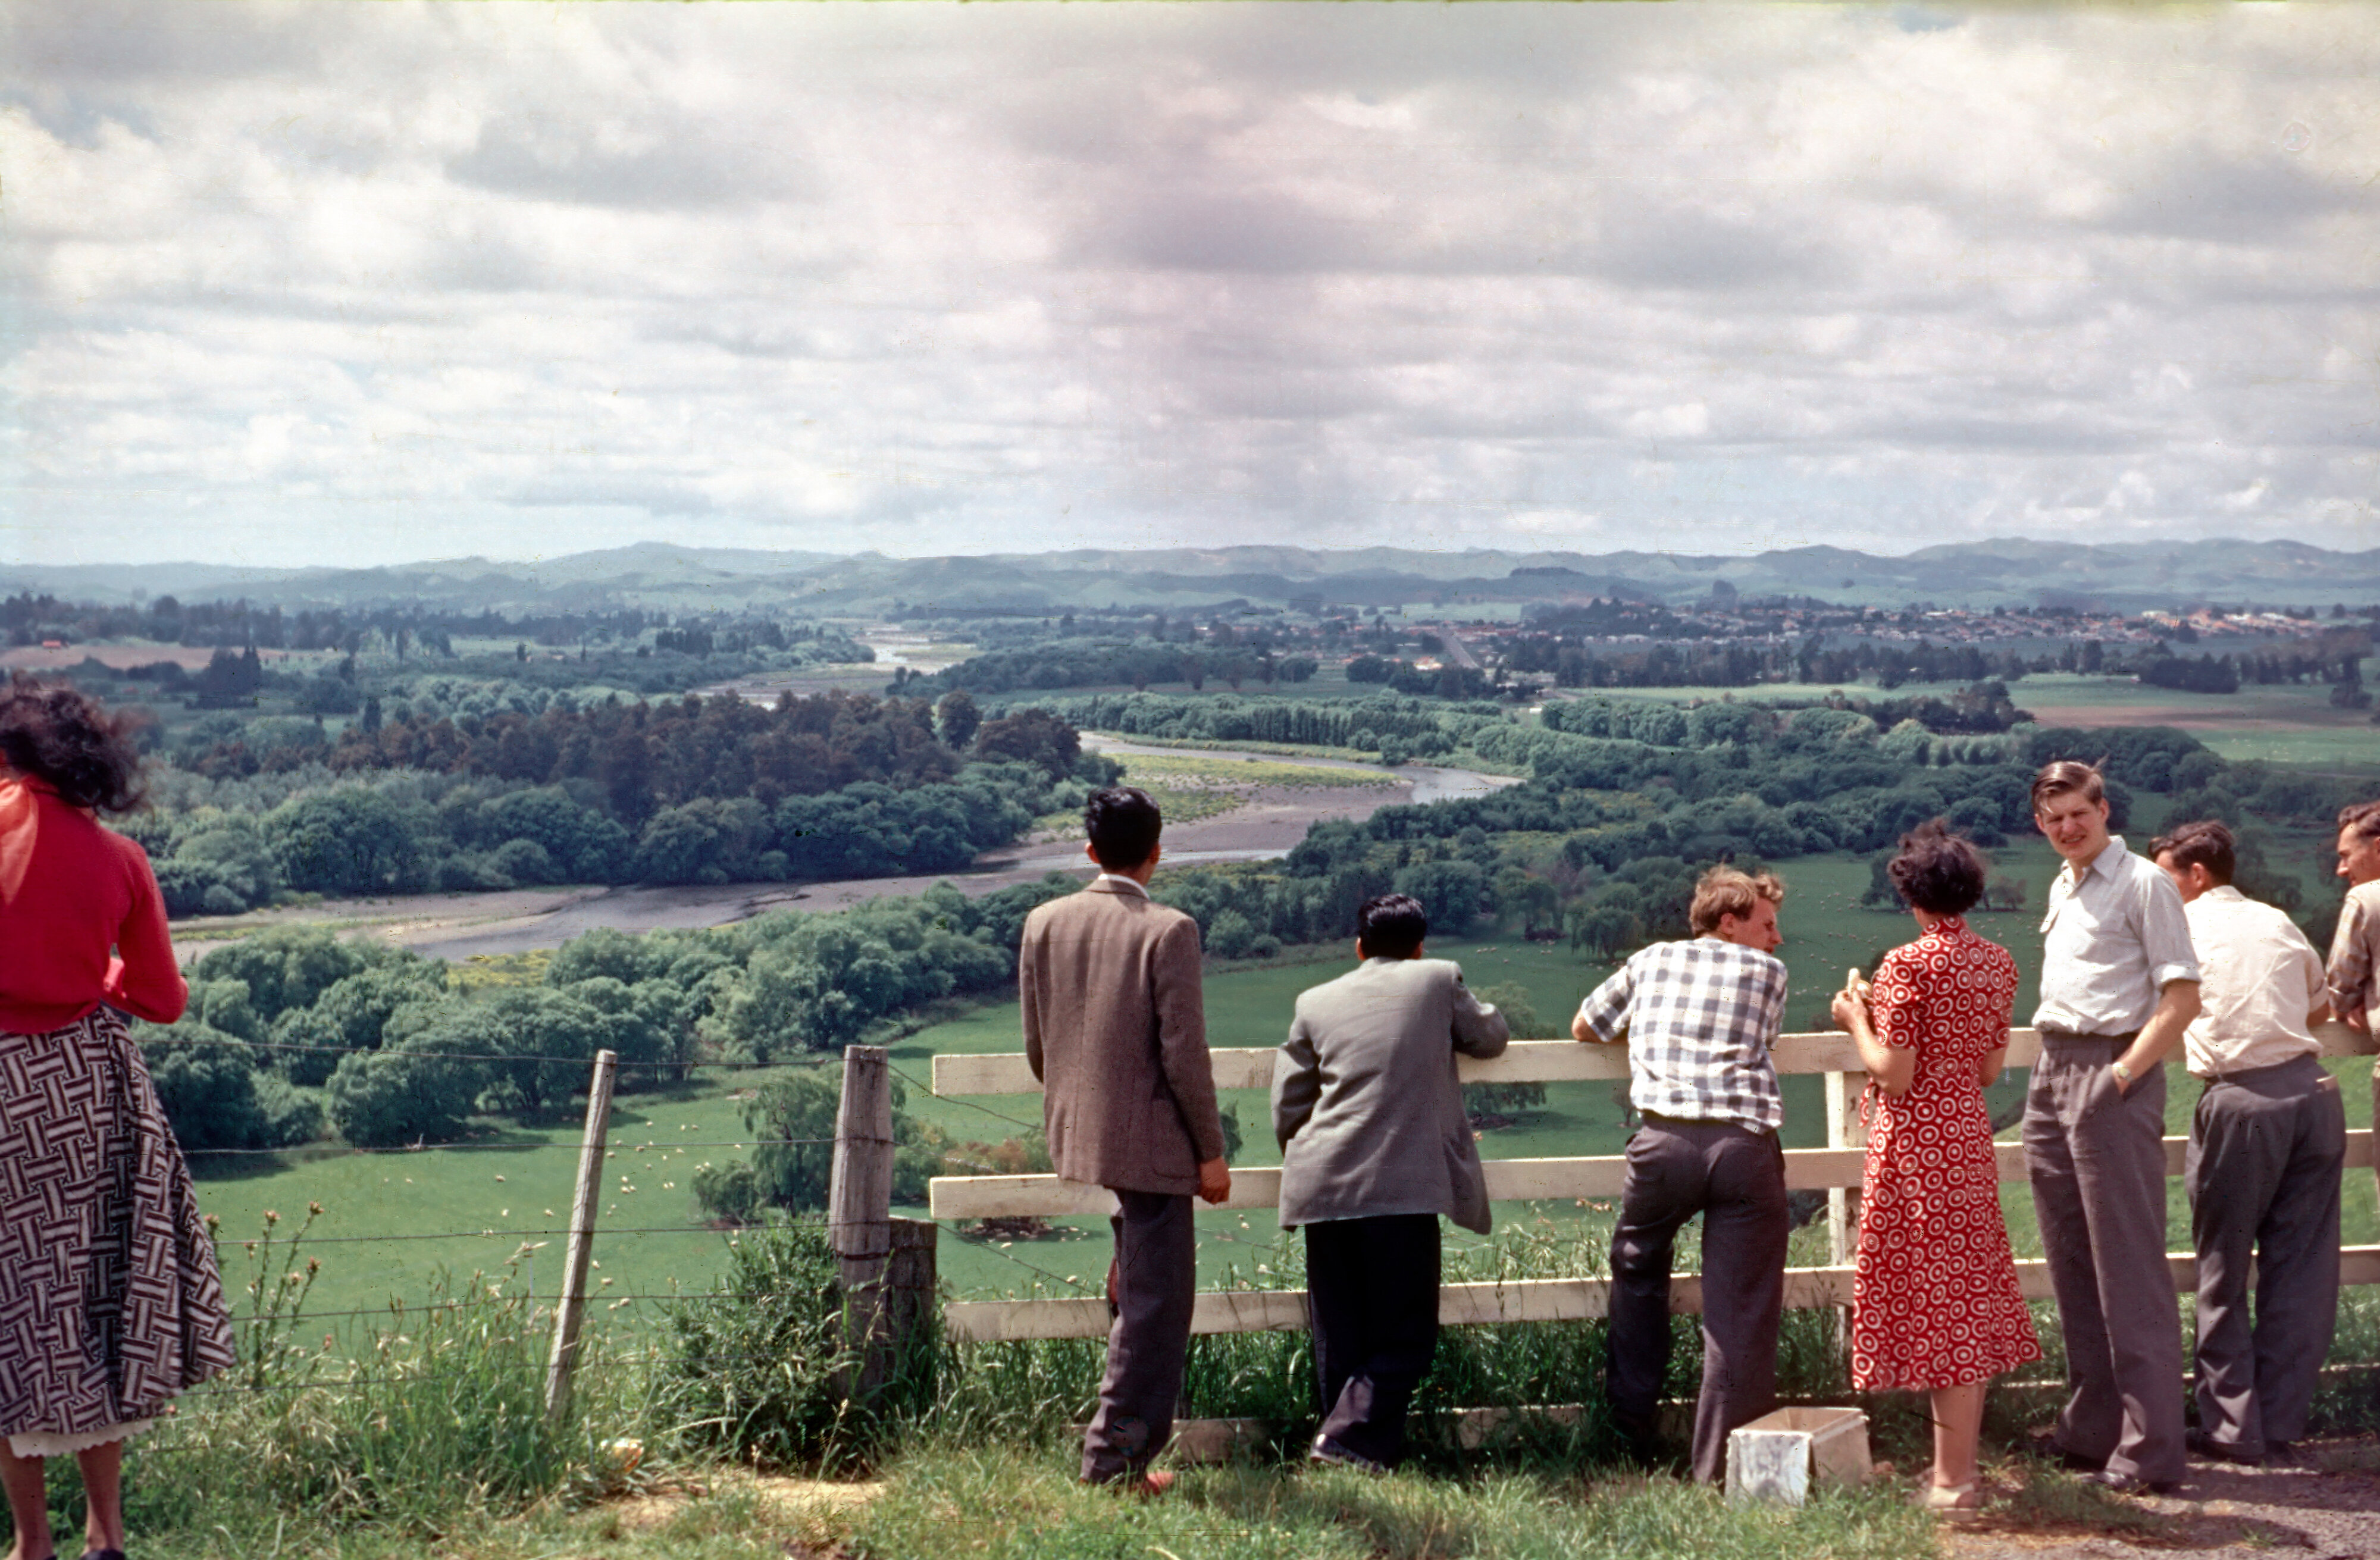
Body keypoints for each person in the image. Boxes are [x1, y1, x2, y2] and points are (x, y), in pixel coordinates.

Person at [0, 679, 235, 1560]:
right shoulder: (120, 857)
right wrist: (99, 982)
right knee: (98, 1305)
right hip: (87, 1095)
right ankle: (107, 1536)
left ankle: (31, 1545)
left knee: (7, 1309)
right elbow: (164, 1000)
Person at [1019, 785, 1230, 1493]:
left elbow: (1037, 1043)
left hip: (1082, 1132)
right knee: (1157, 1310)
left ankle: (1117, 1459)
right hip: (1154, 1146)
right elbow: (1183, 1055)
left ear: (1089, 851)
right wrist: (1210, 1149)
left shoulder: (1043, 921)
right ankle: (1113, 1468)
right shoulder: (1169, 930)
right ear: (1156, 852)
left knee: (1136, 1284)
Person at [1832, 822, 2040, 1514]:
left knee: (1940, 1302)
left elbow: (1892, 1072)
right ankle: (1956, 1469)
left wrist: (1852, 1018)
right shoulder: (1997, 963)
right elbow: (1984, 1069)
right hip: (1965, 1138)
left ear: (1913, 896)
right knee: (1961, 1296)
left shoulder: (1906, 965)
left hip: (1916, 1144)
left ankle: (1954, 1481)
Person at [1272, 893, 1510, 1473]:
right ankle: (1344, 1443)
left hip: (1322, 1182)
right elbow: (1489, 1038)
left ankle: (1350, 1453)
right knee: (1407, 1334)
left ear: (1359, 948)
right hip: (1401, 1183)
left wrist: (1313, 1160)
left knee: (1341, 1333)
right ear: (1420, 944)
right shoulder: (1437, 979)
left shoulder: (1313, 1001)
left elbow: (1287, 1104)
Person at [1572, 864, 1790, 1484]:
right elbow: (1763, 1040)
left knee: (1638, 1279)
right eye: (1766, 925)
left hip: (1663, 1142)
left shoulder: (1649, 960)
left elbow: (1585, 1027)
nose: (1775, 941)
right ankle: (1722, 1467)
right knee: (1740, 1307)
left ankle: (1626, 1436)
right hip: (1741, 1147)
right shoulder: (1769, 974)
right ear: (1730, 922)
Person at [2022, 760, 2200, 1493]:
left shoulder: (2144, 883)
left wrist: (2120, 1077)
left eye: (2078, 814)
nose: (2067, 828)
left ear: (2104, 809)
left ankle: (2150, 1451)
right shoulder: (2065, 883)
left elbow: (2183, 998)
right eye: (2053, 818)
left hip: (2110, 1073)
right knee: (2071, 1262)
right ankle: (2092, 1430)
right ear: (2041, 824)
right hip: (2051, 1069)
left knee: (2127, 1266)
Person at [2152, 820, 2341, 1468]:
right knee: (2303, 1267)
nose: (2158, 890)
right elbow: (2319, 1008)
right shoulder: (2277, 921)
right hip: (2314, 1096)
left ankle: (2233, 1428)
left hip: (2243, 1100)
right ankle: (2283, 1419)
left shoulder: (2180, 931)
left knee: (2222, 1267)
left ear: (2196, 875)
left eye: (2164, 877)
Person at [2325, 800, 2380, 1208]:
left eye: (2347, 856)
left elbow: (2338, 989)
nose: (2342, 870)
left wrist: (2358, 1002)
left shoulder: (2367, 899)